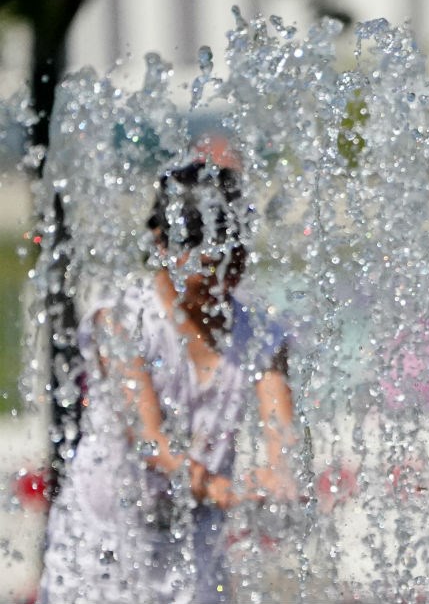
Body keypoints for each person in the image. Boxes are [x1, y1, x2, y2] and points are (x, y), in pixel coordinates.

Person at [38, 160, 297, 604]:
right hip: (104, 544)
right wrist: (217, 487)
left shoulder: (260, 335)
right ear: (162, 245)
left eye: (233, 267)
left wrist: (279, 473)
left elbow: (281, 429)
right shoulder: (122, 320)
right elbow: (149, 439)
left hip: (195, 541)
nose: (219, 285)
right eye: (207, 269)